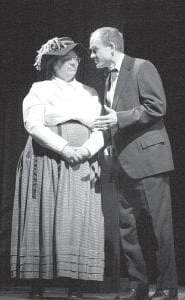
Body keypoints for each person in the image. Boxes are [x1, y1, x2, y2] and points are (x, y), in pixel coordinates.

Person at [10, 36, 105, 299]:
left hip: (82, 160)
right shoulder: (40, 89)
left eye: (75, 58)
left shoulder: (90, 92)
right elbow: (34, 124)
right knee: (44, 215)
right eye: (65, 58)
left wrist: (85, 150)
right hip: (48, 158)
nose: (72, 62)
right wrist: (64, 148)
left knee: (77, 220)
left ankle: (76, 284)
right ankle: (37, 283)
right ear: (52, 63)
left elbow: (100, 128)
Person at [89, 27, 178, 300]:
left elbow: (156, 106)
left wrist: (119, 119)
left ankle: (167, 287)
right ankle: (137, 286)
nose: (91, 55)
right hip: (123, 163)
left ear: (112, 48)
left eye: (95, 49)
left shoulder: (141, 68)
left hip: (150, 162)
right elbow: (112, 119)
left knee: (158, 229)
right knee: (127, 228)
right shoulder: (107, 80)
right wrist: (109, 146)